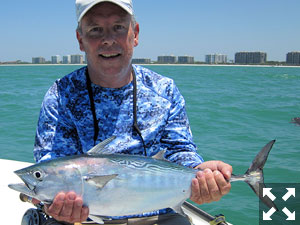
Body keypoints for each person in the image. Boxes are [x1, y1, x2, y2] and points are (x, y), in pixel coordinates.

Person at [33, 0, 232, 224]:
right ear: (81, 40)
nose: (108, 39)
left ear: (135, 34)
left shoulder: (163, 89)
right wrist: (58, 204)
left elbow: (178, 150)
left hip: (160, 213)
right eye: (95, 30)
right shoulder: (62, 94)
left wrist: (199, 172)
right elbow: (53, 164)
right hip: (84, 217)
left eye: (118, 27)